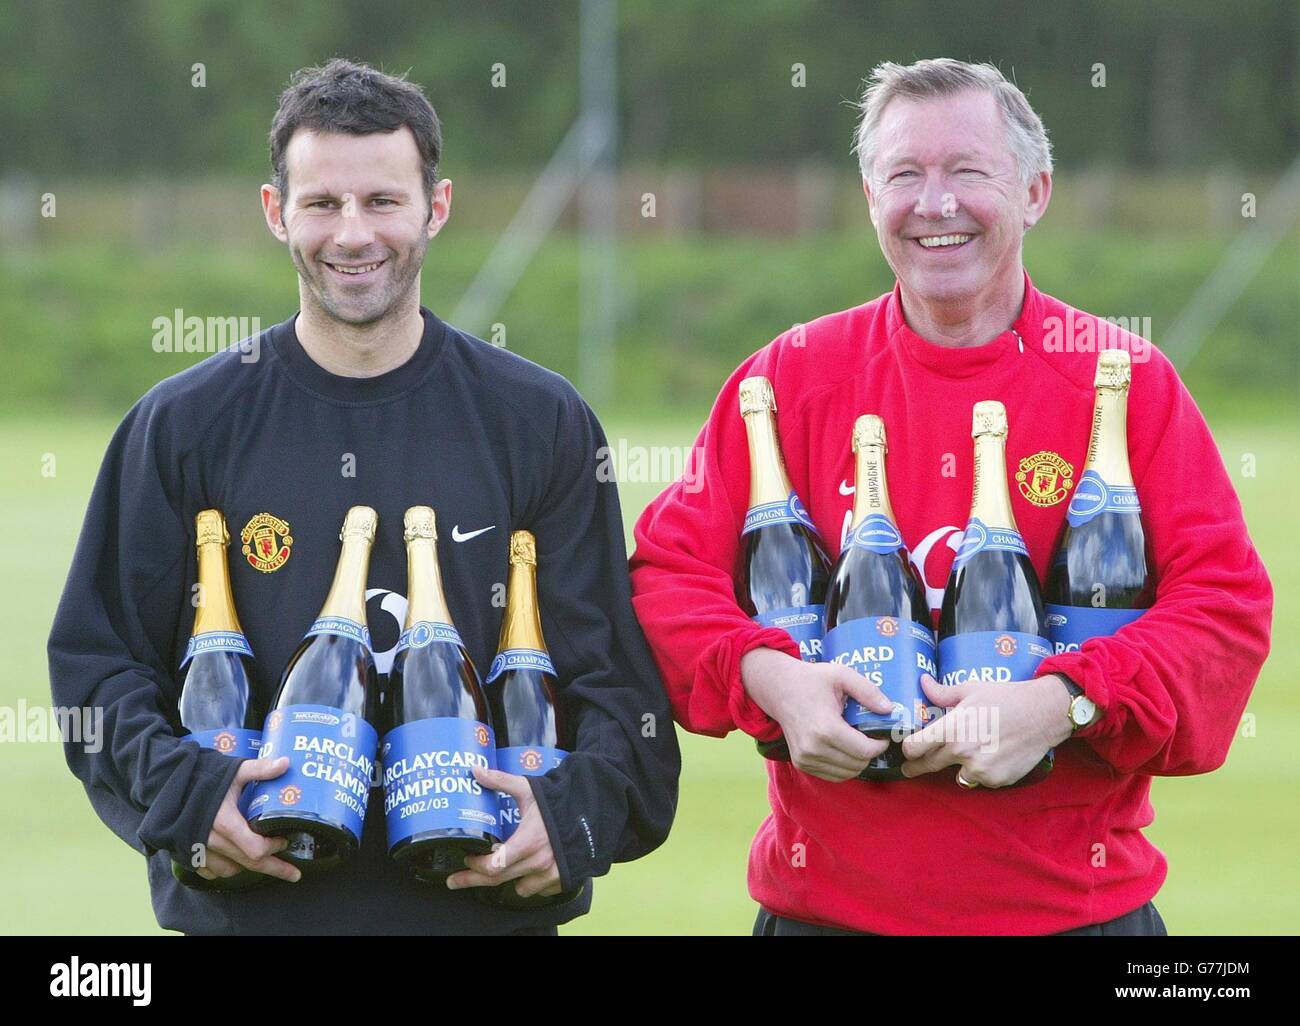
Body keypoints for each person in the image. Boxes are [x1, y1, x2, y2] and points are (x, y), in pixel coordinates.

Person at [628, 58, 1272, 936]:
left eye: (969, 172)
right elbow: (662, 579)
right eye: (904, 175)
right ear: (868, 196)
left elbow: (1225, 613)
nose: (935, 204)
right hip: (824, 913)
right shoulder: (787, 379)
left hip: (1071, 917)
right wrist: (768, 679)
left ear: (1035, 190)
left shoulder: (1125, 382)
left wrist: (1065, 703)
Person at [47, 58, 679, 935]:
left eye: (383, 201)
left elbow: (614, 682)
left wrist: (572, 818)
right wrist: (189, 799)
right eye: (322, 204)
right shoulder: (183, 425)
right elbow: (97, 667)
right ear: (277, 213)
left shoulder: (541, 422)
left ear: (437, 207)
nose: (353, 233)